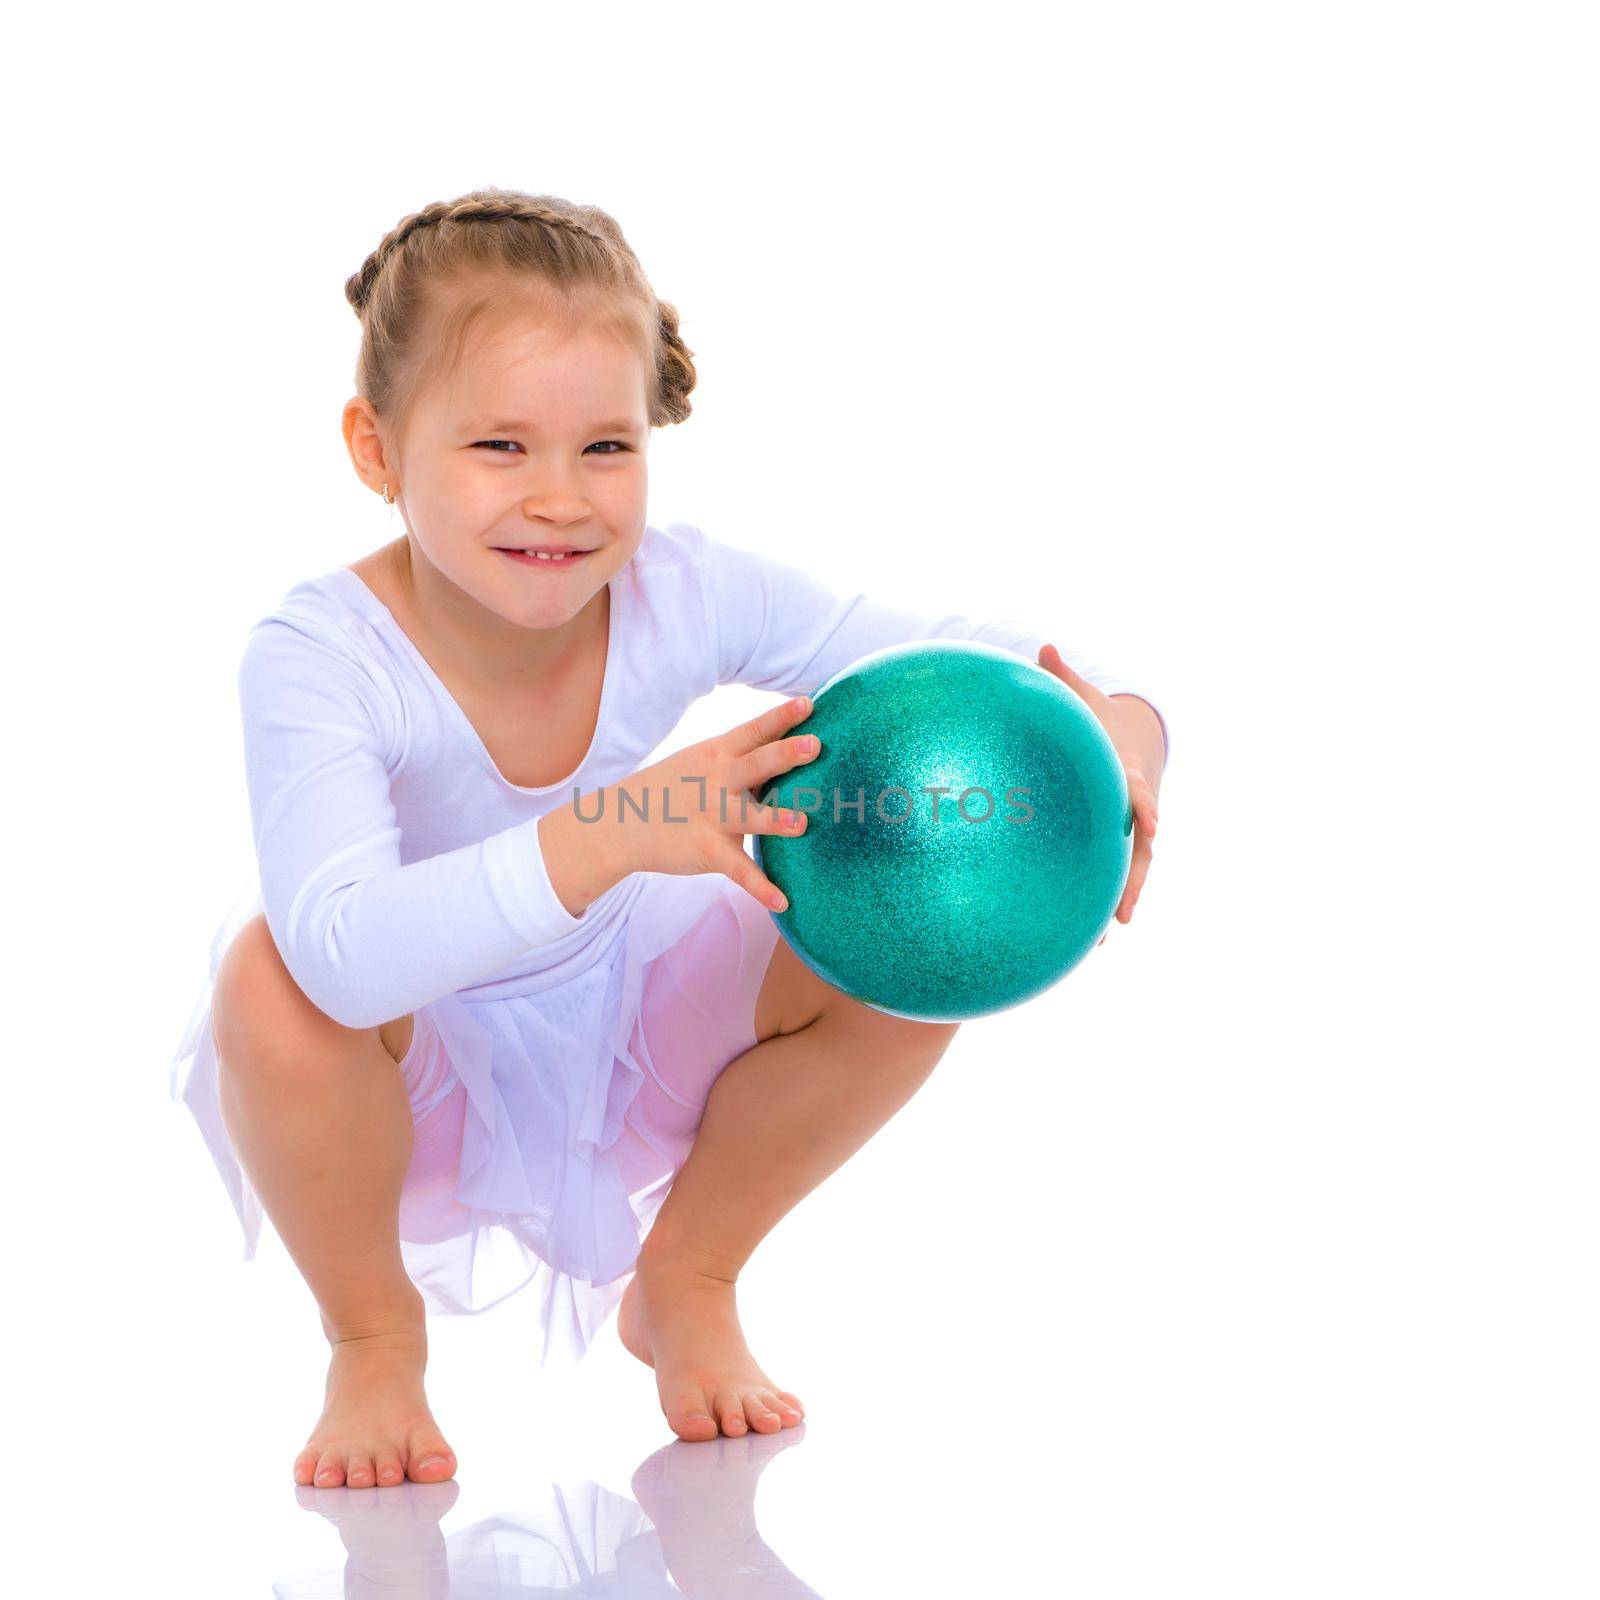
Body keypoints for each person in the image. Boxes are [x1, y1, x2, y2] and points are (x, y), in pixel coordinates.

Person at [167, 186, 1172, 1492]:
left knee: (908, 932)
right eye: (497, 447)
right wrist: (628, 825)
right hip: (417, 1067)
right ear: (376, 447)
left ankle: (689, 1277)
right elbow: (347, 955)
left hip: (630, 1012)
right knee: (267, 979)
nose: (559, 500)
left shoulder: (677, 588)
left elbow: (968, 656)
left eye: (605, 448)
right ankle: (372, 1337)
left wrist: (1121, 740)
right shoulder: (314, 656)